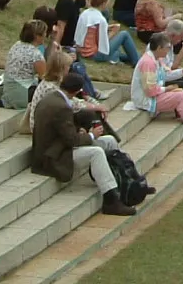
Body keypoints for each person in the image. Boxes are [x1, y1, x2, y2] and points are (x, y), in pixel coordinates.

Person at [30, 71, 141, 216]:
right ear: (77, 91)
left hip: (57, 146)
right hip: (54, 156)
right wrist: (90, 135)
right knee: (96, 153)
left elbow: (62, 130)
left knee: (109, 141)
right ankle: (111, 200)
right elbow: (72, 140)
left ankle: (129, 180)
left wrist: (78, 131)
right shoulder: (61, 106)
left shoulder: (53, 98)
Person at [130, 32, 183, 139]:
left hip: (153, 95)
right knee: (180, 96)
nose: (169, 50)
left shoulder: (156, 59)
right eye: (167, 48)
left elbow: (165, 74)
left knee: (181, 92)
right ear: (159, 48)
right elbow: (150, 91)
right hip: (146, 100)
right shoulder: (148, 63)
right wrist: (167, 89)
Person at [74, 0, 141, 66]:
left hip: (82, 51)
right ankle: (137, 62)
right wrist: (113, 32)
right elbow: (103, 44)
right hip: (95, 55)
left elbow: (90, 31)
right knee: (124, 34)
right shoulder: (100, 19)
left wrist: (107, 27)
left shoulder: (85, 13)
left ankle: (136, 57)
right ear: (103, 4)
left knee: (120, 52)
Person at [2, 20, 49, 109]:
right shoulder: (36, 55)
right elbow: (45, 79)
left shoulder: (17, 44)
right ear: (37, 36)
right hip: (22, 96)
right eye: (44, 33)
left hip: (9, 91)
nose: (46, 35)